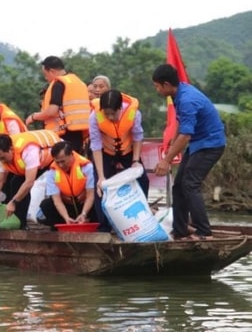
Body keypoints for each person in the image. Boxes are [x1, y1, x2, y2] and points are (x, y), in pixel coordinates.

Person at [152, 64, 226, 240]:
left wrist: (166, 160)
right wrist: (173, 139)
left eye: (157, 86)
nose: (157, 90)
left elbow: (185, 135)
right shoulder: (180, 93)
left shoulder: (187, 100)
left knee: (190, 184)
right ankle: (180, 229)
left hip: (210, 144)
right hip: (198, 143)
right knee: (178, 186)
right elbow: (182, 123)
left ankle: (203, 232)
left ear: (167, 84)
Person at [89, 89, 149, 232]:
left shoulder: (134, 113)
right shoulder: (94, 117)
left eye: (113, 113)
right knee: (101, 186)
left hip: (128, 149)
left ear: (120, 108)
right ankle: (104, 226)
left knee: (143, 180)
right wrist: (101, 176)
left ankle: (143, 219)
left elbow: (137, 137)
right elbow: (95, 145)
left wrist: (135, 161)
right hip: (105, 151)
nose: (110, 117)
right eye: (106, 113)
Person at [0, 130, 62, 229]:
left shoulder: (28, 151)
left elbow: (29, 182)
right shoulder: (1, 156)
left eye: (3, 158)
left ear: (11, 149)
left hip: (51, 157)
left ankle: (55, 223)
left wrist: (13, 202)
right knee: (15, 183)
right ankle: (20, 224)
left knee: (53, 187)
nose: (1, 161)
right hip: (32, 164)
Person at [25, 56, 90, 154]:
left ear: (51, 71)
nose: (46, 78)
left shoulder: (58, 84)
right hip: (78, 134)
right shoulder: (79, 82)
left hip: (64, 135)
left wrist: (34, 117)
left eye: (45, 75)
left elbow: (52, 111)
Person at [37, 141, 95, 228]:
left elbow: (91, 195)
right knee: (46, 205)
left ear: (71, 155)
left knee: (99, 200)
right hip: (67, 206)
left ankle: (88, 220)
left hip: (85, 204)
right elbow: (57, 200)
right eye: (57, 162)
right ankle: (65, 223)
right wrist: (66, 217)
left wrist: (84, 214)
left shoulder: (87, 167)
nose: (60, 165)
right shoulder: (52, 172)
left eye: (63, 161)